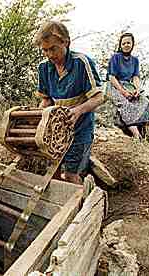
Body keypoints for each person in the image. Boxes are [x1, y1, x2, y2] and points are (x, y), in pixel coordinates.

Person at [34, 21, 105, 184]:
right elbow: (46, 99)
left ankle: (81, 206)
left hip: (80, 129)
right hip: (55, 131)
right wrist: (39, 115)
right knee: (53, 173)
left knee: (72, 175)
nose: (50, 55)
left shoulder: (81, 62)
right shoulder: (44, 67)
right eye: (45, 50)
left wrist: (78, 111)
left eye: (53, 48)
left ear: (65, 42)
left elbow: (99, 97)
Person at [107, 32, 149, 140]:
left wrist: (137, 89)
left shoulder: (135, 60)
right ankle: (136, 134)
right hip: (115, 85)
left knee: (145, 101)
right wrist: (123, 91)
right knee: (125, 103)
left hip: (128, 85)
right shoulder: (115, 57)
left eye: (128, 42)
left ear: (133, 44)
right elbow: (112, 77)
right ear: (120, 45)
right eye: (123, 43)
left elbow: (135, 77)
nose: (126, 45)